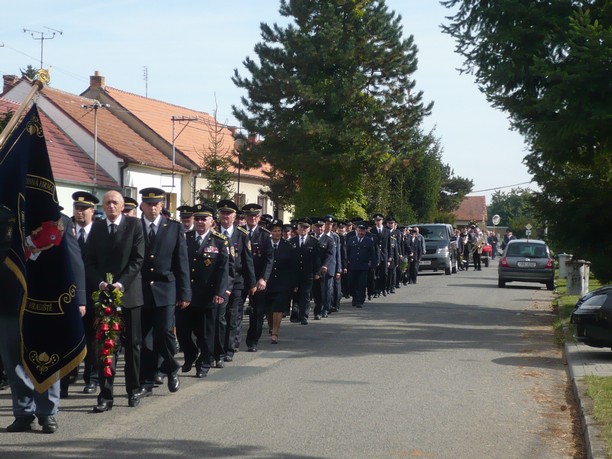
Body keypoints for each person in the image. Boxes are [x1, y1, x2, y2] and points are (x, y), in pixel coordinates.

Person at [1, 209, 86, 433]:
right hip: (8, 297)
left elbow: (73, 261)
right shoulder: (5, 213)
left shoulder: (57, 220)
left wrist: (79, 299)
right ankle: (23, 411)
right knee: (13, 359)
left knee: (46, 355)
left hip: (44, 301)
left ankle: (47, 412)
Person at [85, 190, 146, 412]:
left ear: (122, 206)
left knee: (132, 346)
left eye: (114, 203)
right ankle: (106, 395)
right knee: (106, 346)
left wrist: (120, 284)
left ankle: (133, 389)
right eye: (107, 203)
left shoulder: (134, 226)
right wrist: (100, 283)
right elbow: (89, 261)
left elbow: (138, 259)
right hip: (104, 296)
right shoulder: (98, 227)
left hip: (129, 295)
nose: (111, 206)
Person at [138, 188, 191, 395]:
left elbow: (181, 262)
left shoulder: (173, 228)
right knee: (143, 338)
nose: (152, 208)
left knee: (164, 332)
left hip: (166, 288)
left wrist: (185, 292)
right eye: (148, 204)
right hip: (141, 289)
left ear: (162, 206)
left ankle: (171, 368)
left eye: (156, 204)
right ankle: (147, 380)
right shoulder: (135, 226)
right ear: (142, 205)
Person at [178, 204, 229, 378]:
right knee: (183, 331)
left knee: (205, 334)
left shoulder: (219, 240)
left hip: (208, 294)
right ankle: (190, 353)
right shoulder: (185, 237)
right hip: (186, 294)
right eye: (197, 218)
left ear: (211, 221)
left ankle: (203, 363)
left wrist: (220, 292)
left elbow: (224, 270)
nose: (199, 222)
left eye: (203, 218)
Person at [60, 191, 99, 398]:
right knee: (69, 337)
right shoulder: (66, 227)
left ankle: (91, 378)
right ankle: (66, 379)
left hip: (93, 293)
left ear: (93, 210)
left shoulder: (100, 231)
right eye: (77, 208)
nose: (80, 212)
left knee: (92, 339)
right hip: (70, 292)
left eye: (84, 208)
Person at [216, 199, 255, 364]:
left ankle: (229, 349)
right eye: (223, 213)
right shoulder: (214, 232)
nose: (225, 216)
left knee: (233, 316)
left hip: (238, 281)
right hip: (218, 282)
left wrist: (252, 283)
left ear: (234, 216)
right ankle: (216, 348)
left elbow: (248, 261)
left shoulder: (242, 234)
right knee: (218, 316)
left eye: (228, 213)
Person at [243, 203, 273, 352]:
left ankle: (253, 340)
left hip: (258, 278)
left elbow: (269, 259)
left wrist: (264, 278)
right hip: (241, 278)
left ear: (259, 217)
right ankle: (232, 342)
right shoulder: (239, 232)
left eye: (255, 216)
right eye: (249, 216)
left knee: (257, 312)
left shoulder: (265, 235)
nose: (252, 218)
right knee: (234, 312)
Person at [265, 219, 297, 344]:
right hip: (268, 281)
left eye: (279, 231)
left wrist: (294, 283)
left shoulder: (288, 246)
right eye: (274, 231)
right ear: (271, 232)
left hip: (283, 282)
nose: (277, 233)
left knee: (278, 307)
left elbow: (293, 266)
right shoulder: (265, 244)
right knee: (268, 308)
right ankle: (271, 325)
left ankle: (275, 332)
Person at [289, 218, 320, 325]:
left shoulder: (313, 241)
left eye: (305, 228)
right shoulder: (291, 241)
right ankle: (295, 315)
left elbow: (317, 259)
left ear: (309, 229)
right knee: (295, 294)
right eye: (301, 227)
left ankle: (304, 316)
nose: (303, 229)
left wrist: (317, 272)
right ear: (297, 228)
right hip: (294, 273)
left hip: (308, 273)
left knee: (306, 295)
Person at [346, 221, 377, 308]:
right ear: (356, 231)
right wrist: (346, 263)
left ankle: (360, 300)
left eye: (362, 231)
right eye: (359, 231)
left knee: (361, 284)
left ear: (365, 232)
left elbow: (372, 254)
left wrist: (373, 265)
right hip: (352, 266)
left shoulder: (369, 241)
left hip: (363, 266)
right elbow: (347, 252)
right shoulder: (351, 239)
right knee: (352, 283)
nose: (360, 233)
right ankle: (354, 298)